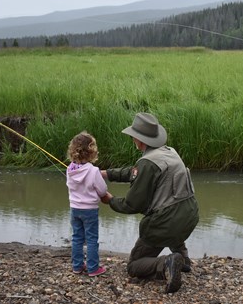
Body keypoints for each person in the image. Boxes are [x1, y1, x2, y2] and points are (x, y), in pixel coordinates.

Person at [101, 112, 199, 294]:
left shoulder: (147, 162)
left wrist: (110, 200)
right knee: (173, 218)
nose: (132, 139)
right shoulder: (170, 152)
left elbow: (132, 205)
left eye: (133, 137)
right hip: (190, 216)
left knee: (134, 266)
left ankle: (166, 264)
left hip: (166, 224)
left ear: (139, 140)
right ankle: (183, 260)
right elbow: (135, 172)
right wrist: (106, 174)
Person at [66, 131, 109, 277]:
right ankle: (92, 268)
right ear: (91, 152)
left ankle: (77, 266)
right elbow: (102, 190)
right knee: (91, 239)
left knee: (77, 238)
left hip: (74, 209)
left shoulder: (69, 169)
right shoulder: (93, 170)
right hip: (89, 210)